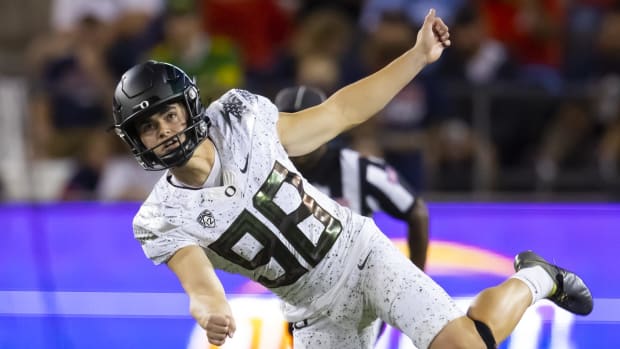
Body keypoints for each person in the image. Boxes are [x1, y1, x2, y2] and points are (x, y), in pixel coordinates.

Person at [111, 9, 592, 349]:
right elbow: (199, 282)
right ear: (135, 141)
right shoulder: (160, 216)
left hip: (361, 255)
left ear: (189, 106)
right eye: (148, 128)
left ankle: (535, 277)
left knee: (462, 346)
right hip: (313, 309)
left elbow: (340, 111)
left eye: (168, 115)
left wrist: (418, 56)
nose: (164, 132)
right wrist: (210, 311)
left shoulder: (240, 118)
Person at [274, 85, 429, 270]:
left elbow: (416, 211)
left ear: (324, 128)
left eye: (305, 125)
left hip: (354, 288)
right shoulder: (267, 168)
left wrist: (417, 279)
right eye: (290, 127)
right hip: (296, 291)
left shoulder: (359, 169)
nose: (296, 135)